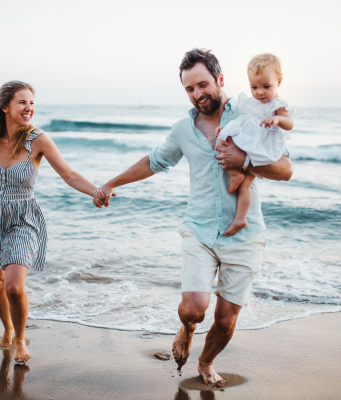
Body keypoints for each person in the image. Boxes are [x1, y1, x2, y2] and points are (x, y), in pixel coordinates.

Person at [94, 49, 292, 388]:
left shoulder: (250, 112)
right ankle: (185, 329)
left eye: (203, 84)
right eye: (189, 89)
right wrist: (111, 183)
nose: (198, 94)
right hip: (199, 230)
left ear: (220, 80)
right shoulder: (182, 130)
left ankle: (205, 361)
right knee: (193, 309)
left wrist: (243, 160)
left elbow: (285, 169)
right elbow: (154, 162)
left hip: (244, 234)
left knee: (226, 319)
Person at [0, 81, 99, 365]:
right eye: (22, 102)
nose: (28, 107)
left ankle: (19, 338)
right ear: (5, 106)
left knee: (14, 287)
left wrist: (97, 191)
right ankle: (6, 327)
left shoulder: (38, 140)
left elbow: (69, 174)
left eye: (31, 103)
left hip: (23, 219)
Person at [217, 53, 294, 236]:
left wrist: (278, 118)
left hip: (263, 145)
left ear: (279, 82)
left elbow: (290, 124)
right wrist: (229, 128)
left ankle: (239, 218)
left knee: (245, 185)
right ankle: (235, 176)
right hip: (251, 139)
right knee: (221, 140)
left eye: (266, 86)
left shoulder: (277, 104)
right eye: (254, 87)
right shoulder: (252, 102)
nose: (260, 92)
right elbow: (247, 121)